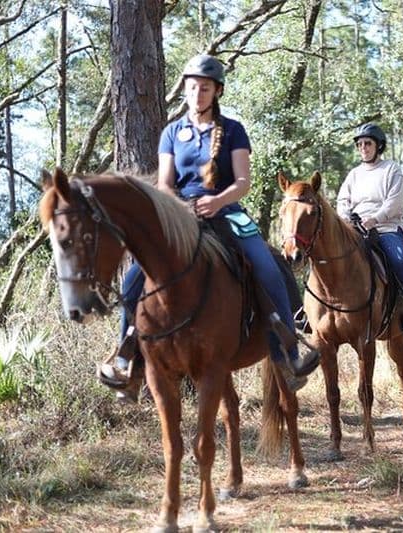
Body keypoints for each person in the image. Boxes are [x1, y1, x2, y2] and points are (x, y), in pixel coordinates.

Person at [98, 54, 319, 400]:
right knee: (132, 280)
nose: (197, 94)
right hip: (181, 217)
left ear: (217, 91)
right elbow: (165, 183)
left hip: (227, 211)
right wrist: (179, 208)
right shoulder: (172, 132)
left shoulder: (233, 130)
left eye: (204, 88)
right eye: (191, 87)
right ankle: (128, 358)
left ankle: (288, 353)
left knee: (269, 268)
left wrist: (216, 201)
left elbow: (243, 181)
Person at [337, 123, 403, 332]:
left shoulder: (391, 169)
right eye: (359, 144)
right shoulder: (354, 174)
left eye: (368, 143)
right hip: (355, 228)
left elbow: (395, 202)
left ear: (378, 146)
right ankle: (313, 309)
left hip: (386, 228)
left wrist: (374, 219)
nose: (363, 148)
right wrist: (346, 218)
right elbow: (342, 200)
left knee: (398, 259)